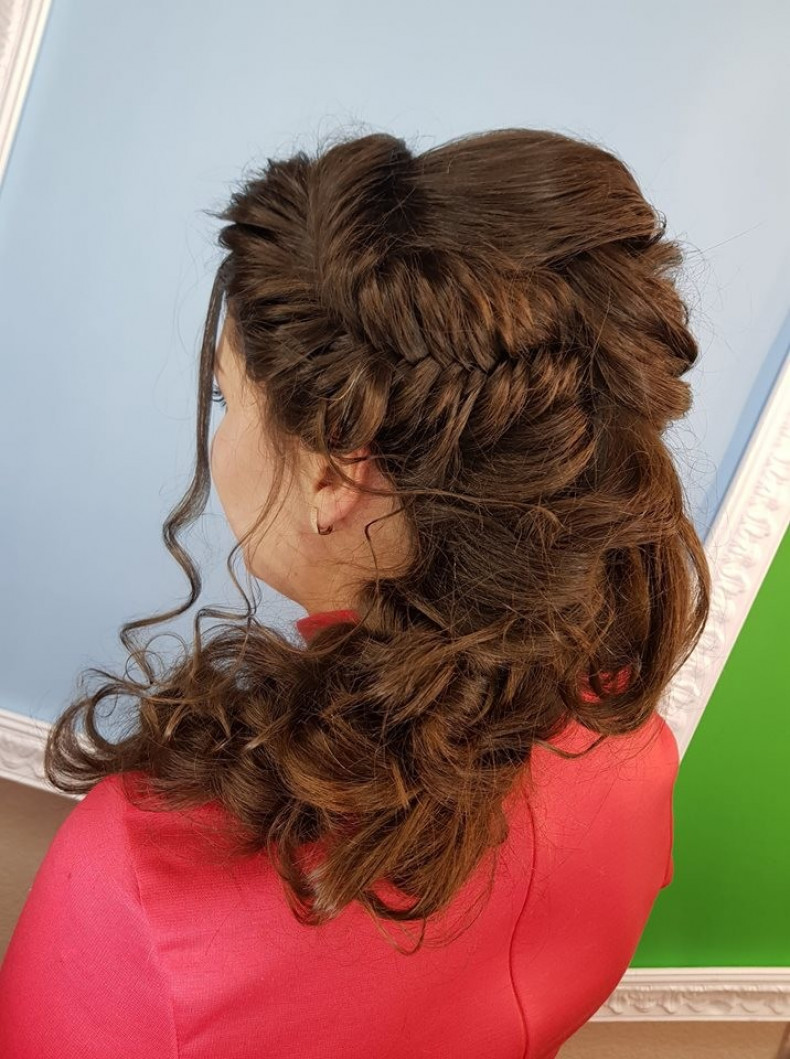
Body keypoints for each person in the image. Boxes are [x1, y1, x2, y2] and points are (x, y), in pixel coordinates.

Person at [0, 127, 709, 1058]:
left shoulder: (146, 878)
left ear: (335, 472)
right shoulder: (628, 741)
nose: (219, 440)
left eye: (226, 399)